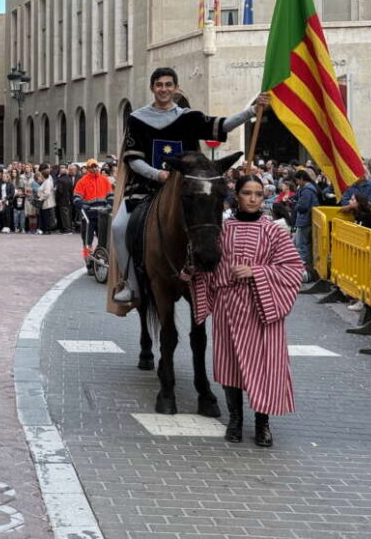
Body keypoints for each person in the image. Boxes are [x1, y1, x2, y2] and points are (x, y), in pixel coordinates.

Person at [112, 68, 268, 303]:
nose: (164, 89)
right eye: (159, 85)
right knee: (118, 227)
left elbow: (223, 125)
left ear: (175, 88)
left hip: (190, 190)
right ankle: (131, 284)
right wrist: (159, 175)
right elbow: (133, 159)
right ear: (152, 88)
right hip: (148, 188)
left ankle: (217, 278)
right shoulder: (136, 119)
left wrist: (251, 110)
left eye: (168, 84)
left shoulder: (189, 117)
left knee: (214, 223)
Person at [190, 175, 304, 447]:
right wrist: (193, 270)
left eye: (258, 194)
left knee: (264, 367)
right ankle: (235, 420)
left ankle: (263, 424)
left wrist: (257, 271)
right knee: (230, 365)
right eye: (247, 193)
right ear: (236, 195)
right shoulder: (222, 229)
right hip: (229, 307)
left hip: (262, 308)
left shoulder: (274, 230)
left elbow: (295, 269)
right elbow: (208, 263)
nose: (253, 198)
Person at [292, 169, 319, 273]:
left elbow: (303, 206)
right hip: (308, 219)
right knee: (301, 244)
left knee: (301, 245)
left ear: (302, 179)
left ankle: (302, 269)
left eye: (297, 180)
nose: (297, 183)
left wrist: (295, 204)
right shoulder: (309, 188)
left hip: (305, 220)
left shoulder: (307, 190)